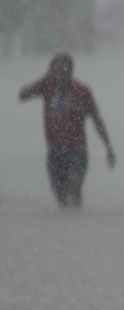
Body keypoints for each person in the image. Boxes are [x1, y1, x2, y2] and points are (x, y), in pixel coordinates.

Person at [19, 52, 115, 207]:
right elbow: (22, 95)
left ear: (72, 69)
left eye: (66, 67)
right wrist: (45, 76)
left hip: (77, 150)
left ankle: (78, 225)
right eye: (58, 68)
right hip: (54, 151)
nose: (62, 71)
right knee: (61, 196)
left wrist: (109, 148)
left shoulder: (82, 91)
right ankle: (67, 226)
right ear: (53, 69)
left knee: (74, 187)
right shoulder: (48, 87)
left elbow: (97, 120)